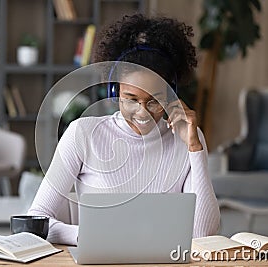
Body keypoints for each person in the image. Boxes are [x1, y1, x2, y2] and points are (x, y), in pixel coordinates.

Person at [28, 13, 220, 245]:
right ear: (114, 92)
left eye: (155, 101)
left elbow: (203, 236)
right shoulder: (83, 134)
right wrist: (88, 236)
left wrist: (194, 148)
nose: (143, 112)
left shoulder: (188, 138)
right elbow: (36, 220)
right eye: (131, 99)